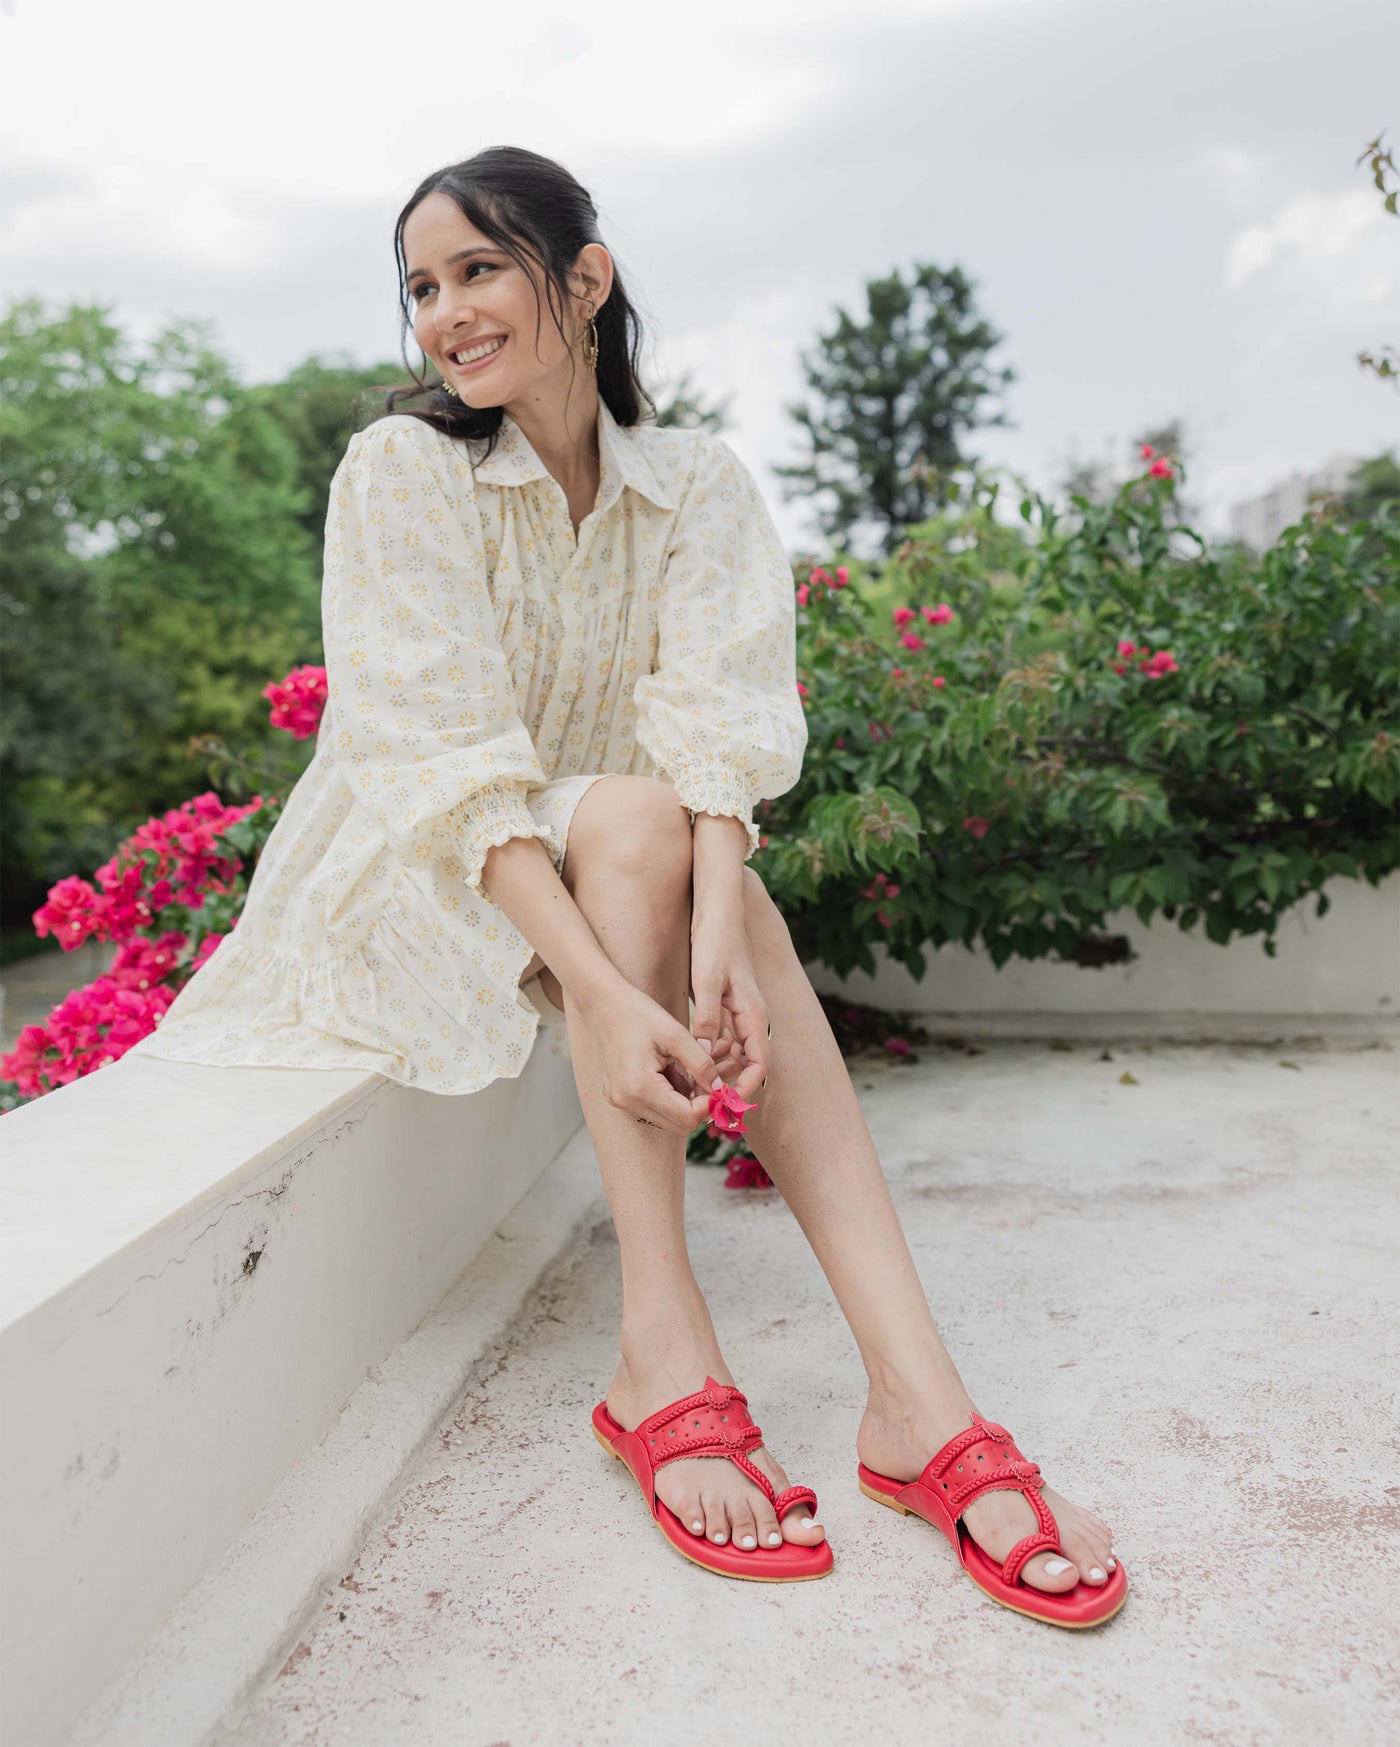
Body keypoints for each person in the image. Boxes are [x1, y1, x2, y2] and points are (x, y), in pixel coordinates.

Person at [132, 145, 1123, 1624]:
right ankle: (688, 1351)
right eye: (422, 286)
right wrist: (608, 994)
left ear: (585, 280)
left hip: (623, 856)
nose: (447, 313)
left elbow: (717, 742)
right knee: (642, 829)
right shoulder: (402, 470)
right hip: (417, 877)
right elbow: (443, 772)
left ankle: (905, 1395)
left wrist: (716, 941)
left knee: (690, 856)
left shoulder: (696, 485)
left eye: (480, 269)